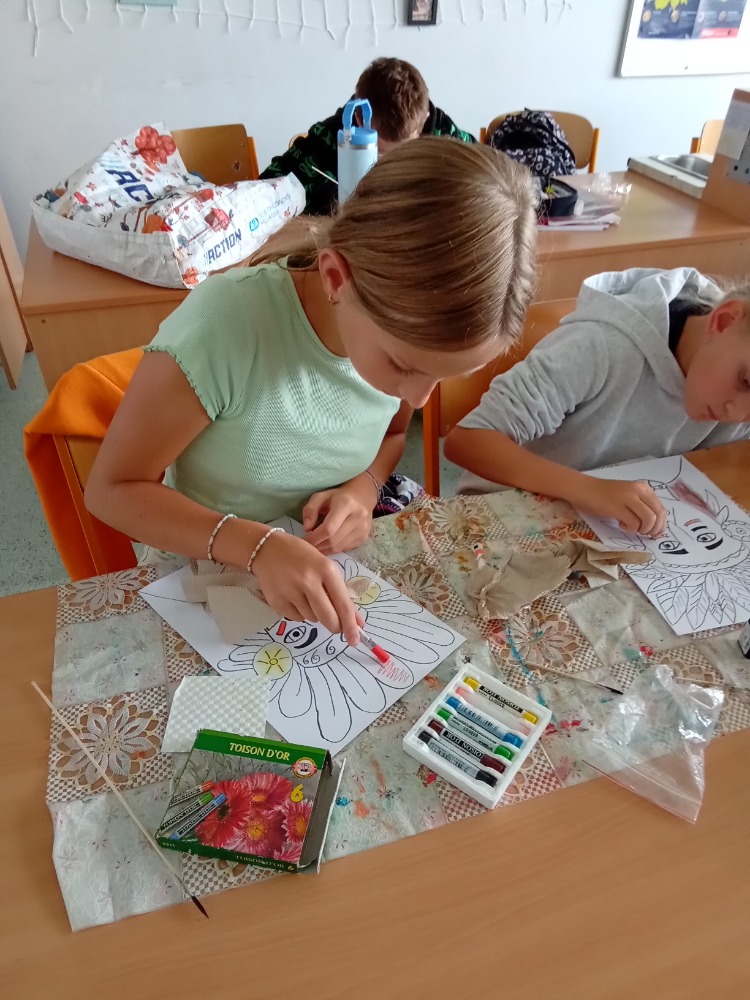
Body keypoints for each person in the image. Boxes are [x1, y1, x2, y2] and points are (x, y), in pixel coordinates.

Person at [85, 138, 536, 647]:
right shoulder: (224, 327)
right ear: (336, 278)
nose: (419, 400)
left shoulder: (396, 351)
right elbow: (112, 491)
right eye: (404, 366)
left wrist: (363, 490)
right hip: (204, 560)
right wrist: (257, 546)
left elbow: (391, 438)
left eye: (441, 376)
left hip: (322, 563)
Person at [444, 267, 750, 537]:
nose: (737, 415)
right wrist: (586, 488)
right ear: (724, 321)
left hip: (613, 535)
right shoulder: (601, 345)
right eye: (746, 381)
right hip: (499, 516)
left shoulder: (736, 388)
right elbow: (468, 440)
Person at [259, 57, 475, 216]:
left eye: (404, 151)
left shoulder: (444, 135)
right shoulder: (330, 137)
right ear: (360, 120)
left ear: (424, 120)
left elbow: (489, 175)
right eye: (379, 153)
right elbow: (264, 193)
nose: (390, 163)